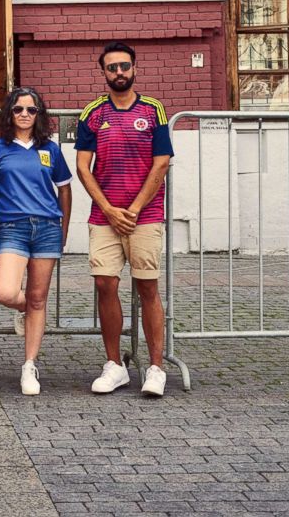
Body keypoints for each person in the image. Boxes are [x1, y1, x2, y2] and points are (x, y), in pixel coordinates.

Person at [75, 42, 174, 397]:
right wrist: (110, 210)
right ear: (102, 71)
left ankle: (156, 368)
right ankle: (115, 365)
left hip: (144, 216)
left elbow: (161, 163)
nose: (119, 72)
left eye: (125, 66)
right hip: (104, 217)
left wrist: (132, 210)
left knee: (147, 287)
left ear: (134, 69)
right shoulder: (92, 113)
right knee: (105, 285)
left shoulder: (153, 110)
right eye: (112, 67)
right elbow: (83, 167)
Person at [0, 87, 72, 395]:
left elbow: (64, 189)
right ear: (9, 114)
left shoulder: (50, 149)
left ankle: (29, 365)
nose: (25, 114)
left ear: (40, 115)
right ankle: (28, 310)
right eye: (18, 109)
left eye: (31, 109)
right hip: (13, 226)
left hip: (47, 227)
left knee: (38, 298)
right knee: (6, 291)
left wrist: (63, 227)